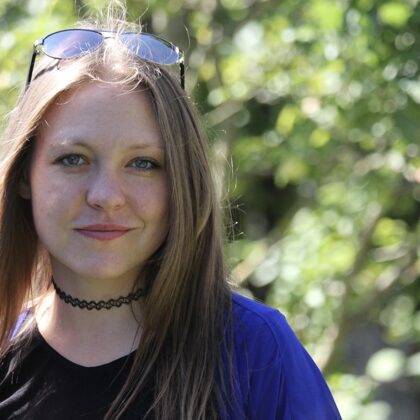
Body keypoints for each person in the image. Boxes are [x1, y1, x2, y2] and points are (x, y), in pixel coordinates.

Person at [0, 5, 342, 420]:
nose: (106, 196)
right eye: (73, 159)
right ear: (24, 176)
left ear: (181, 182)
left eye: (143, 163)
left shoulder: (256, 353)